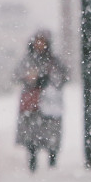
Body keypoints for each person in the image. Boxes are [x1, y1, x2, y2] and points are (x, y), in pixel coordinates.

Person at [15, 30, 69, 172]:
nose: (40, 44)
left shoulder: (54, 60)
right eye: (37, 41)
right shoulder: (27, 60)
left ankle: (52, 159)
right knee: (32, 133)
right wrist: (29, 78)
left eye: (42, 42)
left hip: (50, 103)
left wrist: (50, 80)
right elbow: (17, 74)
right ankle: (33, 158)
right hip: (32, 103)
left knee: (51, 132)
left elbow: (64, 76)